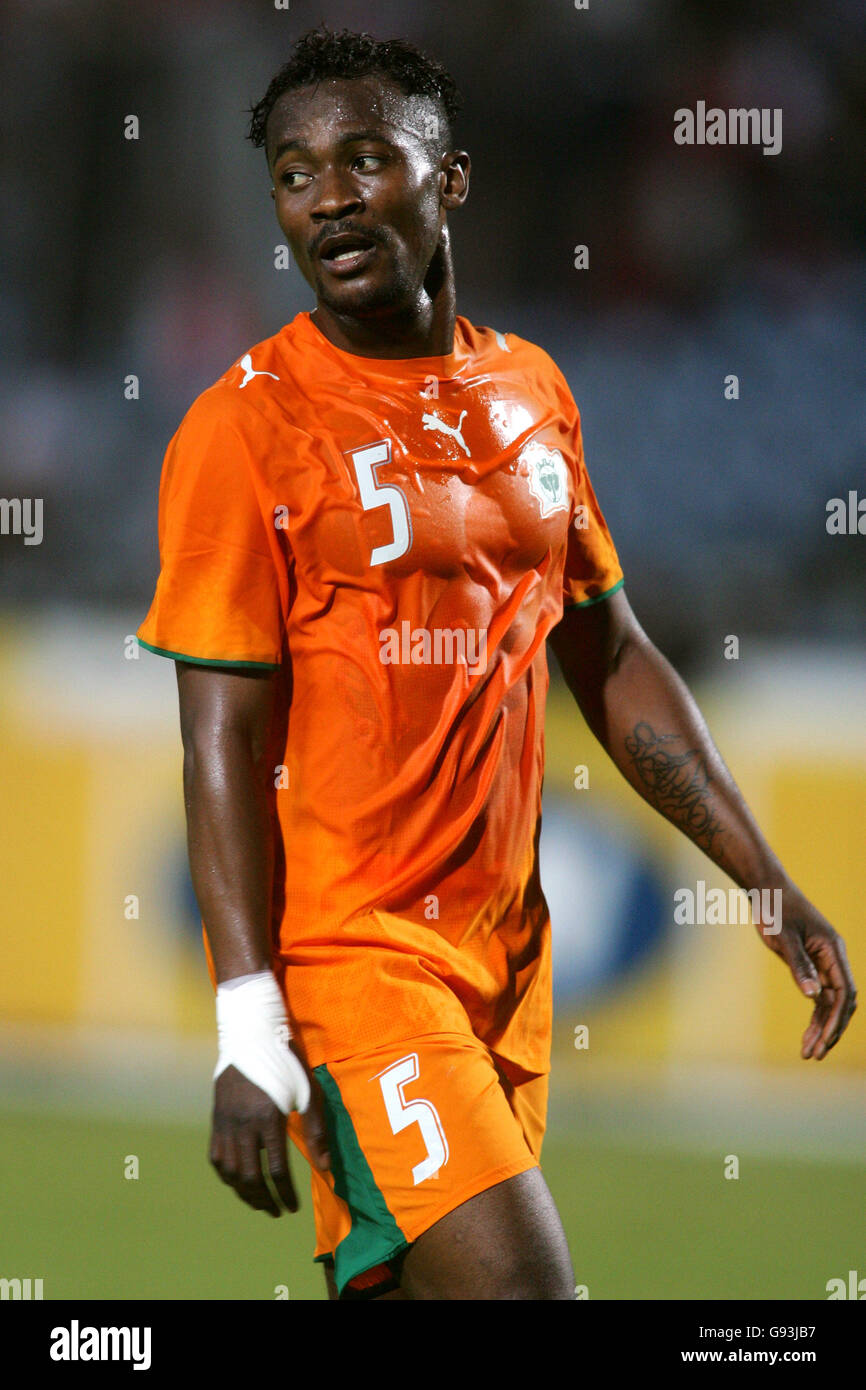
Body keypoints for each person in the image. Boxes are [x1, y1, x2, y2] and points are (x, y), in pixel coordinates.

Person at [137, 26, 856, 1301]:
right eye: (296, 177)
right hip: (358, 967)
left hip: (501, 973)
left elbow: (611, 653)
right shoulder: (243, 428)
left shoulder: (531, 393)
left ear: (449, 180)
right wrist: (247, 1029)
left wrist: (760, 875)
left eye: (365, 160)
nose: (330, 200)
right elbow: (220, 743)